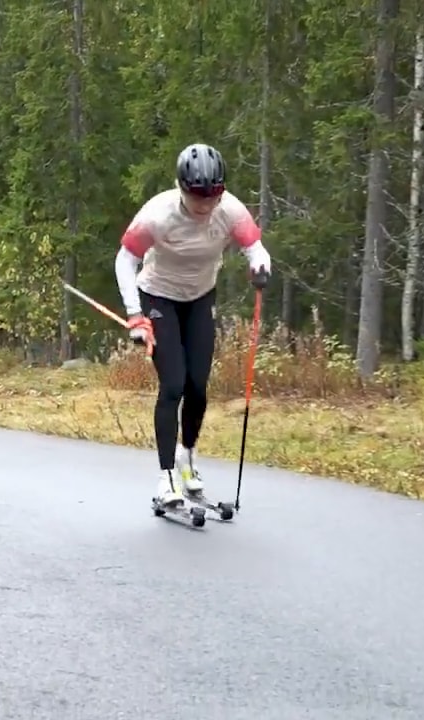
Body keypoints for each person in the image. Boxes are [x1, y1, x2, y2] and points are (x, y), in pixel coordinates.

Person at [113, 143, 271, 508]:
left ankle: (187, 458)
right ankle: (165, 476)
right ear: (180, 188)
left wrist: (260, 267)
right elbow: (125, 261)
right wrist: (135, 314)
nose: (204, 206)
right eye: (196, 197)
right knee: (173, 385)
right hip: (158, 297)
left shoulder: (229, 210)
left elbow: (256, 249)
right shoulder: (157, 215)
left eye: (211, 198)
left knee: (198, 386)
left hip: (200, 298)